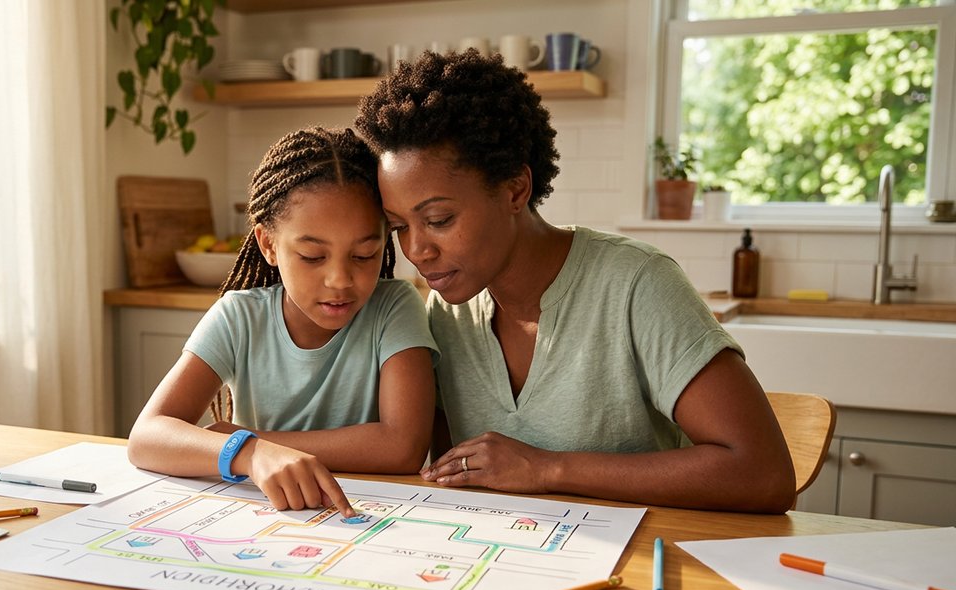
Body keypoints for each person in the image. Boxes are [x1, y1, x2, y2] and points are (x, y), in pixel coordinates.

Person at [353, 51, 795, 514]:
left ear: (515, 190)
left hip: (647, 563)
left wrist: (548, 468)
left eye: (439, 219)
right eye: (400, 226)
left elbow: (762, 474)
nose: (417, 250)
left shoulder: (636, 284)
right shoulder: (448, 309)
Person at [127, 127, 438, 518]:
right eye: (312, 256)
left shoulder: (395, 307)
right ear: (268, 244)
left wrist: (252, 442)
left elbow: (403, 447)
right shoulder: (239, 316)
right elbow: (146, 437)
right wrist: (252, 455)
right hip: (266, 517)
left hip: (366, 515)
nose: (340, 280)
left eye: (364, 255)